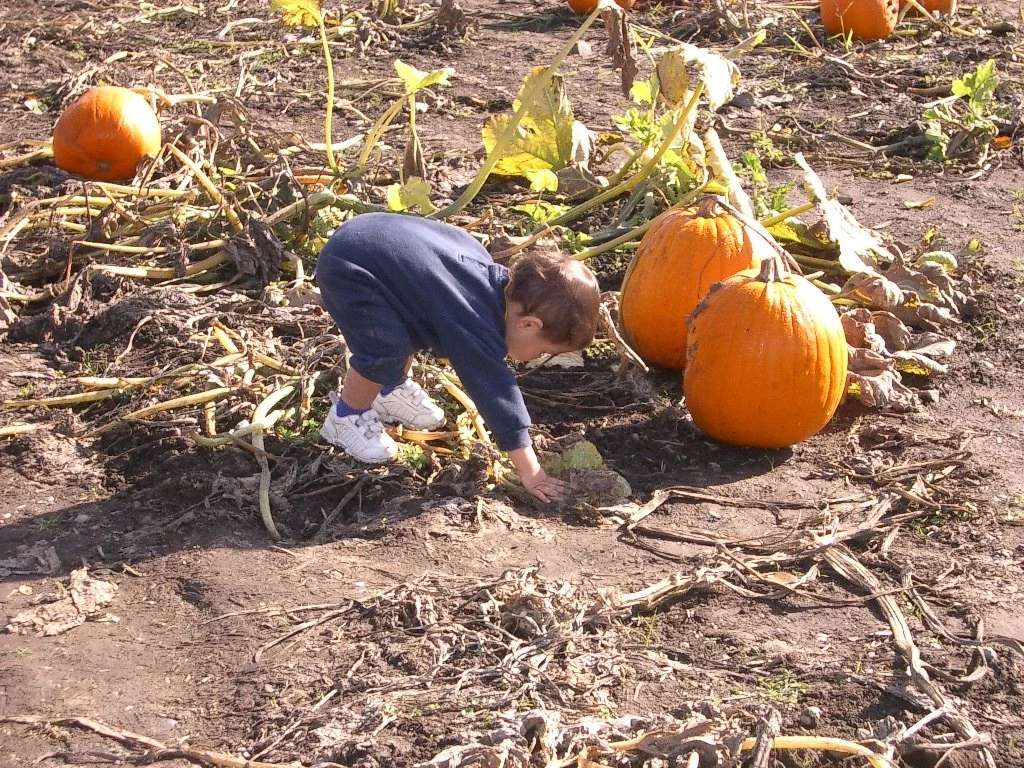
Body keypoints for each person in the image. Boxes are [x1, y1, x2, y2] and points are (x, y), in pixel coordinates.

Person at [315, 212, 601, 502]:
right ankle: (346, 416)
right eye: (542, 351)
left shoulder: (490, 285)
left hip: (372, 240)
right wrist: (531, 472)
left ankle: (389, 389)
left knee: (417, 312)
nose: (534, 358)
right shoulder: (474, 320)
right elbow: (496, 393)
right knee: (384, 348)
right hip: (350, 267)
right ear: (528, 324)